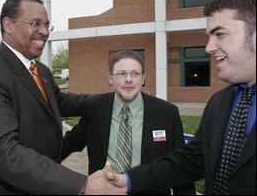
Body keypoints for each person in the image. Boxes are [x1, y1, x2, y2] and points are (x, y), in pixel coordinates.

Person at [0, 0, 123, 195]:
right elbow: (3, 152)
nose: (44, 32)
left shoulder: (41, 70)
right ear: (8, 25)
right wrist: (82, 185)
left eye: (47, 25)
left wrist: (109, 100)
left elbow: (61, 102)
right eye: (35, 24)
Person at [108, 0, 256, 195]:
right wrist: (128, 181)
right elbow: (190, 161)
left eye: (220, 34)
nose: (208, 47)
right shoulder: (220, 102)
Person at [61, 50, 196, 194]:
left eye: (135, 73)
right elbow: (68, 145)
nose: (129, 79)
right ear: (110, 78)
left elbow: (180, 166)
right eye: (121, 73)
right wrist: (39, 169)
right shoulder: (94, 108)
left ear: (143, 78)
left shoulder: (167, 113)